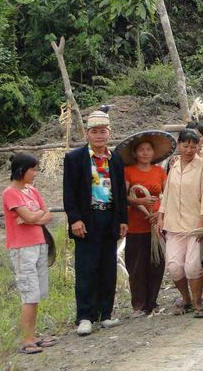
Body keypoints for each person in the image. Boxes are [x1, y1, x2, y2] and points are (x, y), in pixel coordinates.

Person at [63, 110, 128, 336]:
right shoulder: (75, 158)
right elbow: (69, 192)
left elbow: (120, 192)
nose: (99, 136)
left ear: (109, 133)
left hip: (109, 217)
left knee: (107, 268)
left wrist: (122, 220)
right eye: (95, 132)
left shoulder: (115, 159)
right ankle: (85, 316)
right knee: (86, 268)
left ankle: (105, 314)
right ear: (87, 134)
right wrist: (75, 219)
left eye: (103, 131)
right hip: (87, 219)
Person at [3, 153, 57, 354]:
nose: (35, 173)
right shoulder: (10, 193)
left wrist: (32, 218)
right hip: (22, 248)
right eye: (32, 169)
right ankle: (27, 340)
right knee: (29, 293)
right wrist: (33, 217)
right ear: (21, 170)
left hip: (39, 243)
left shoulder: (32, 190)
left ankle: (33, 335)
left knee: (37, 292)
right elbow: (31, 215)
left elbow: (45, 213)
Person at [157, 129, 203, 318]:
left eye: (193, 146)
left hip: (195, 224)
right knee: (174, 266)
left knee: (192, 266)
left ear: (199, 146)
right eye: (185, 145)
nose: (189, 150)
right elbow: (167, 194)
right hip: (173, 223)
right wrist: (161, 215)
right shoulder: (174, 165)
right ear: (179, 145)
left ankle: (197, 302)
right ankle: (185, 298)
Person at [123, 137, 168, 317]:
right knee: (136, 266)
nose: (145, 153)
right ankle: (138, 305)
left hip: (156, 224)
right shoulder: (128, 171)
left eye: (148, 149)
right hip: (136, 225)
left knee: (157, 263)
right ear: (134, 153)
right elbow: (125, 196)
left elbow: (167, 195)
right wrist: (140, 201)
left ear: (153, 152)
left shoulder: (159, 171)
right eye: (141, 150)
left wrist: (159, 214)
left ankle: (152, 302)